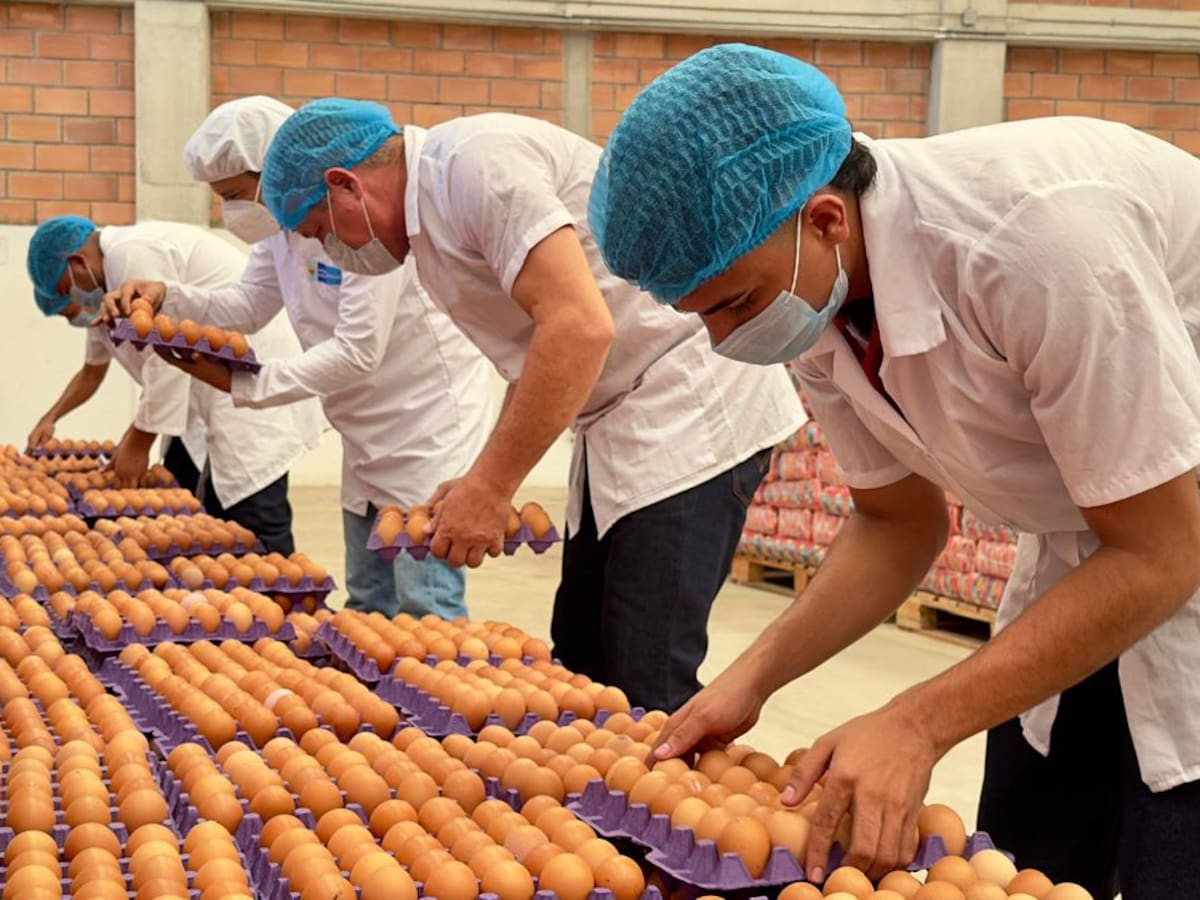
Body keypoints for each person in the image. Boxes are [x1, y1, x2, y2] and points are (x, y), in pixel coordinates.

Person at [589, 43, 1200, 897]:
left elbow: (1165, 551)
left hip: (1175, 538)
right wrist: (749, 679)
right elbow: (895, 521)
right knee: (1032, 847)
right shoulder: (815, 292)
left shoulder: (1037, 242)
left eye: (732, 304)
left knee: (1171, 843)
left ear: (827, 218)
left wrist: (918, 721)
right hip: (1096, 549)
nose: (725, 342)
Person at [256, 98, 807, 712]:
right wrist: (479, 477)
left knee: (645, 675)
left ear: (345, 185)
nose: (333, 252)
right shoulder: (431, 221)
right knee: (583, 658)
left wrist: (492, 487)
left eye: (323, 232)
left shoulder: (473, 164)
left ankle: (685, 806)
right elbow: (536, 353)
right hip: (619, 419)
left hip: (690, 405)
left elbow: (579, 326)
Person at [107, 96, 497, 619]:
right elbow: (245, 305)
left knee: (426, 603)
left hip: (422, 424)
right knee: (368, 602)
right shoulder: (283, 231)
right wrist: (166, 296)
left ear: (277, 171)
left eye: (238, 195)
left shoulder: (355, 224)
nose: (233, 212)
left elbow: (359, 351)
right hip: (364, 425)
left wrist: (247, 386)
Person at [26, 214, 325, 554]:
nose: (78, 305)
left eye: (68, 291)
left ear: (78, 262)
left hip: (251, 364)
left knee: (251, 506)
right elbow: (92, 370)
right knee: (189, 501)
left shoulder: (131, 253)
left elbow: (163, 355)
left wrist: (137, 443)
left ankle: (282, 597)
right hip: (205, 383)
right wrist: (51, 417)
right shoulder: (106, 290)